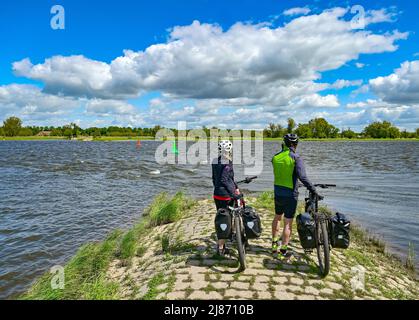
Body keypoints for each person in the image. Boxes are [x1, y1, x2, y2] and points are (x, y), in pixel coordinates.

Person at [271, 133, 318, 256]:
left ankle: (274, 244)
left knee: (277, 217)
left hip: (278, 192)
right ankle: (283, 250)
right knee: (287, 222)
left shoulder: (275, 157)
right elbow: (302, 177)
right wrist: (313, 189)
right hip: (290, 194)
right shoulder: (296, 157)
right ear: (294, 144)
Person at [212, 140, 242, 256]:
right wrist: (233, 193)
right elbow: (225, 180)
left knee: (221, 218)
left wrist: (236, 187)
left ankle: (221, 247)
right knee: (228, 217)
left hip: (217, 194)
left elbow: (215, 179)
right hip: (226, 195)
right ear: (229, 150)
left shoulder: (215, 161)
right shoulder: (228, 162)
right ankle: (230, 238)